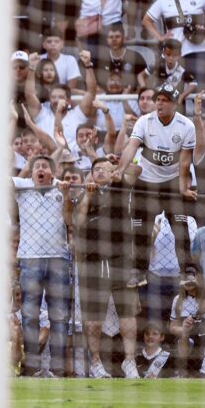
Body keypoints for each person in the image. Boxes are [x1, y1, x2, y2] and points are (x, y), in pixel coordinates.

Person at [114, 82, 197, 283]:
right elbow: (131, 147)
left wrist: (183, 189)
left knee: (180, 226)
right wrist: (120, 170)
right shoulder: (145, 121)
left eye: (165, 100)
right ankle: (139, 271)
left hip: (171, 181)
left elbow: (185, 162)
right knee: (141, 229)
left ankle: (187, 271)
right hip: (146, 182)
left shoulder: (187, 126)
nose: (159, 104)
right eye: (158, 100)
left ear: (175, 104)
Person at [66, 157, 139, 379]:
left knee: (127, 312)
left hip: (120, 260)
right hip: (92, 262)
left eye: (103, 169)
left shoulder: (121, 187)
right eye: (95, 169)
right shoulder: (84, 195)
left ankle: (130, 362)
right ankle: (96, 363)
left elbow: (136, 169)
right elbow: (76, 224)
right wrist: (87, 194)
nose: (99, 173)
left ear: (113, 172)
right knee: (93, 317)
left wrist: (122, 164)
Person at [13, 156, 71, 377]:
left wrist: (65, 195)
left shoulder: (61, 188)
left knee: (58, 315)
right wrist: (26, 167)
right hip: (30, 258)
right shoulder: (22, 187)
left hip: (58, 258)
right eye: (36, 166)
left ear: (52, 172)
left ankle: (57, 368)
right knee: (29, 315)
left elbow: (69, 221)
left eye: (44, 167)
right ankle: (32, 366)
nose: (40, 169)